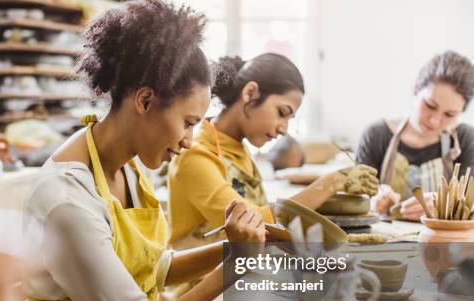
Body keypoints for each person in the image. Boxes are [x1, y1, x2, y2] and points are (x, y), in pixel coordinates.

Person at [21, 0, 265, 301]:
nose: (188, 141)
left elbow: (153, 268)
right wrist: (235, 267)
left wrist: (237, 249)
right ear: (146, 101)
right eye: (187, 123)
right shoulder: (67, 201)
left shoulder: (129, 165)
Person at [168, 54, 379, 250]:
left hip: (237, 270)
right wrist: (330, 183)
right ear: (250, 93)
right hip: (200, 284)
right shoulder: (195, 155)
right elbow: (255, 222)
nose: (284, 129)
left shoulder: (237, 149)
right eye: (281, 113)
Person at [357, 50, 474, 220]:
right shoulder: (376, 135)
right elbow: (355, 199)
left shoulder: (465, 140)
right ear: (416, 89)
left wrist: (442, 205)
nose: (434, 121)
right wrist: (373, 200)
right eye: (430, 105)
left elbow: (470, 204)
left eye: (449, 115)